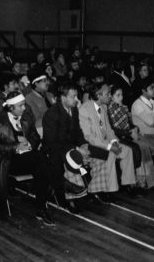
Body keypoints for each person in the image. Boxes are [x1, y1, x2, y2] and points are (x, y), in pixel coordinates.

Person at [0, 92, 53, 225]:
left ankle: (41, 206)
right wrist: (15, 147)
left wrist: (29, 144)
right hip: (8, 159)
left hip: (28, 157)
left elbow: (35, 137)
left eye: (24, 105)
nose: (24, 108)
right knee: (41, 162)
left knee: (42, 163)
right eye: (21, 106)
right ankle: (41, 206)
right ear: (11, 107)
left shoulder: (26, 118)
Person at [79, 82, 138, 203]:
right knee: (111, 154)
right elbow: (89, 137)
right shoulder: (84, 109)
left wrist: (114, 141)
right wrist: (110, 146)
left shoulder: (104, 108)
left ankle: (128, 184)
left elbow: (109, 130)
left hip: (105, 142)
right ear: (98, 95)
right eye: (108, 94)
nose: (110, 96)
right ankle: (110, 190)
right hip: (91, 145)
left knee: (127, 151)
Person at [42, 82, 96, 214]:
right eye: (73, 97)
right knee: (75, 158)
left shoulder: (74, 110)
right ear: (63, 97)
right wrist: (77, 148)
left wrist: (83, 144)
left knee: (97, 153)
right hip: (55, 150)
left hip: (70, 146)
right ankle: (69, 199)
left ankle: (95, 190)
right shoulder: (51, 114)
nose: (77, 100)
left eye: (77, 96)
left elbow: (77, 131)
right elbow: (52, 142)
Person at [107, 85, 154, 188]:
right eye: (118, 95)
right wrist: (129, 132)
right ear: (111, 97)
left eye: (121, 95)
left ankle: (148, 180)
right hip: (120, 137)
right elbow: (113, 129)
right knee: (141, 147)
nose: (121, 98)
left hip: (129, 134)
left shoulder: (124, 108)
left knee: (147, 146)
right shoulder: (109, 110)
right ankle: (141, 180)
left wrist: (134, 128)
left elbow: (130, 123)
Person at [25, 69, 55, 136]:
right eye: (44, 81)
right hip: (41, 129)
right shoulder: (29, 98)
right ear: (36, 83)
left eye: (47, 80)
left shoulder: (50, 95)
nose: (48, 83)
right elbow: (36, 121)